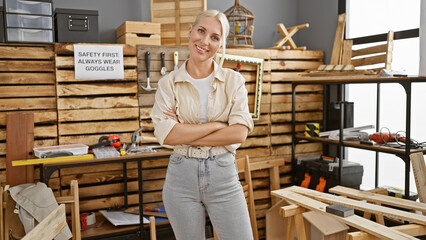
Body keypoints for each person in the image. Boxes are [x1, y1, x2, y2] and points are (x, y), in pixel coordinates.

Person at [151, 9, 254, 240]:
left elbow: (238, 133)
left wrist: (183, 132)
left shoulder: (233, 81)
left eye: (214, 37)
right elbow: (166, 136)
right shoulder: (169, 84)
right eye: (201, 31)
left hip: (224, 176)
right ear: (190, 32)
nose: (205, 41)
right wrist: (217, 125)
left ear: (220, 44)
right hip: (181, 178)